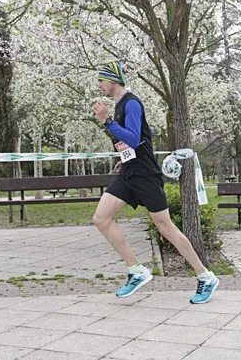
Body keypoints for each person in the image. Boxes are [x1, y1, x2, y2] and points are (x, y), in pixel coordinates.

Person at [91, 61, 219, 304]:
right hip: (129, 173)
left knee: (165, 227)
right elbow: (134, 142)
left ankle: (206, 276)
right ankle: (137, 270)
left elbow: (133, 138)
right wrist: (124, 160)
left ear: (113, 80)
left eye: (101, 80)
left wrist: (107, 122)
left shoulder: (132, 103)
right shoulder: (119, 105)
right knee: (101, 218)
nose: (99, 85)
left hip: (146, 176)